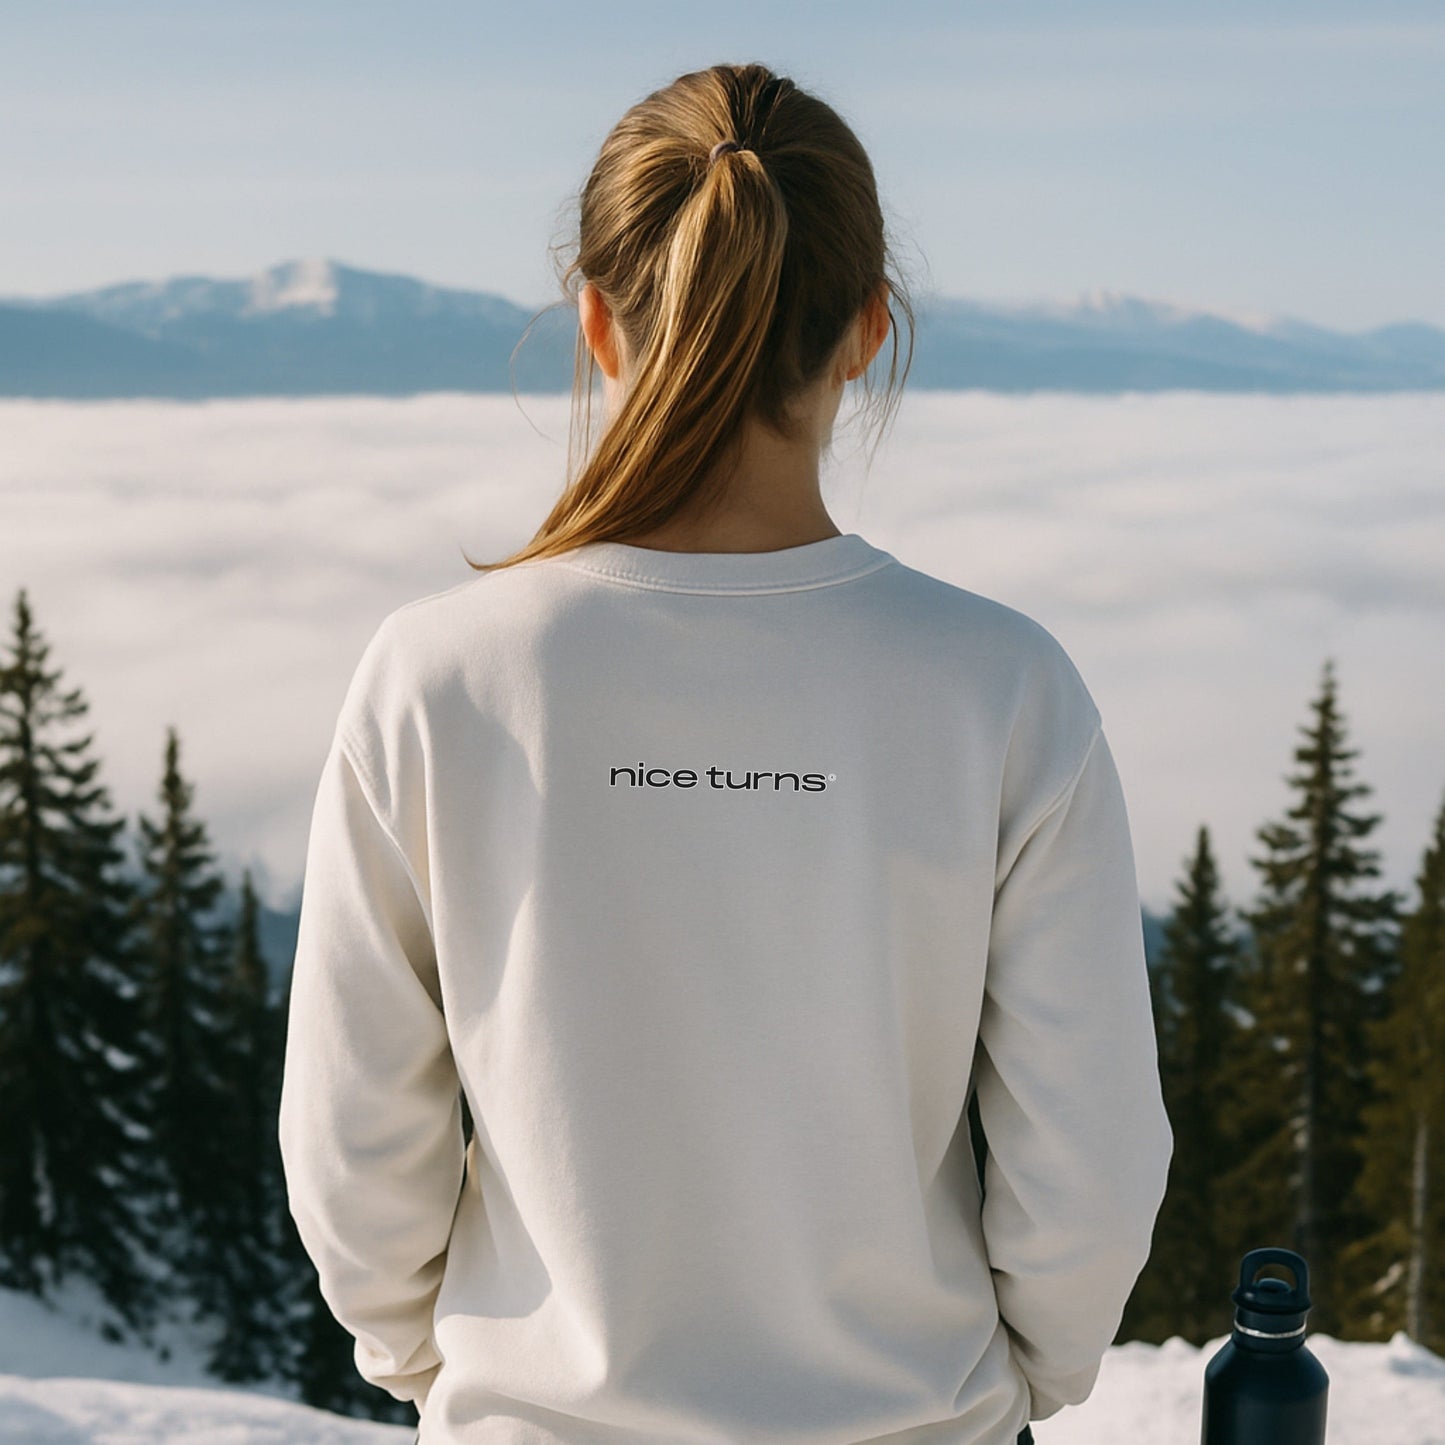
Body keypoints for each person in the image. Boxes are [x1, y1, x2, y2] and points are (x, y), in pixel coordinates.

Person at [277, 61, 1172, 1445]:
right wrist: (1003, 1387)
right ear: (869, 329)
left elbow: (353, 1147)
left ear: (595, 319)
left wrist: (449, 1375)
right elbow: (1089, 1166)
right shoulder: (998, 687)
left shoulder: (437, 675)